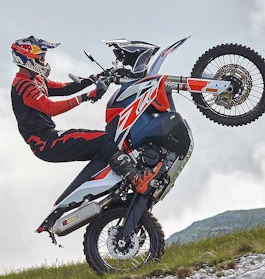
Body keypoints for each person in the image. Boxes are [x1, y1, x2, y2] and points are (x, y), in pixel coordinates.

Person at [10, 35, 161, 194]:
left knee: (109, 144)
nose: (44, 61)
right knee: (103, 140)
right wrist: (86, 96)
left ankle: (124, 183)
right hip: (45, 142)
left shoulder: (36, 80)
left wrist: (96, 77)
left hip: (48, 138)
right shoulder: (22, 85)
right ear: (28, 58)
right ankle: (136, 179)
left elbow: (64, 88)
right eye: (41, 57)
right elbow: (51, 108)